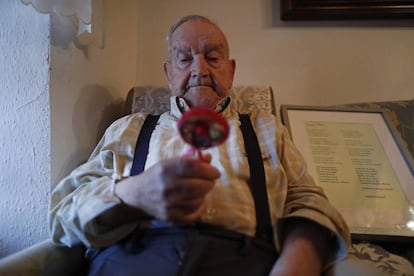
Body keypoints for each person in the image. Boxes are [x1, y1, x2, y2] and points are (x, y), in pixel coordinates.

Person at [49, 15, 385, 276]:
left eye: (212, 57)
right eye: (184, 59)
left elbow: (310, 201)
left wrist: (297, 263)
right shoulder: (129, 129)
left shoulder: (268, 130)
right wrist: (132, 193)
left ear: (231, 70)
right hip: (135, 261)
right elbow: (61, 215)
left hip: (245, 261)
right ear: (168, 72)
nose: (199, 70)